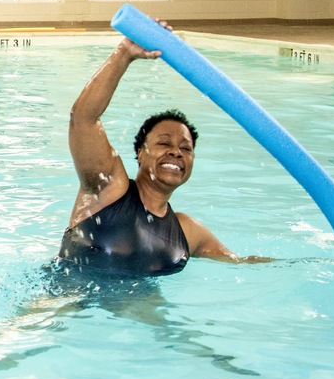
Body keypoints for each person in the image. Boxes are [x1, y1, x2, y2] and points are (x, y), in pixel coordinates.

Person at [59, 31, 257, 275]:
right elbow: (83, 119)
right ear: (140, 153)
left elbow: (241, 262)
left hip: (141, 306)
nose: (176, 152)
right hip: (68, 295)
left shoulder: (188, 232)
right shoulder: (109, 188)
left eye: (186, 148)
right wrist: (124, 54)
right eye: (164, 144)